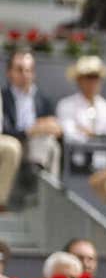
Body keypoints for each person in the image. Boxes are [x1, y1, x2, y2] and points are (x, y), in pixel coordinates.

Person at [2, 50, 62, 191]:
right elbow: (5, 131)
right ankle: (45, 190)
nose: (25, 75)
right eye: (20, 70)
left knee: (51, 144)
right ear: (9, 73)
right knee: (49, 146)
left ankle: (44, 185)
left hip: (39, 146)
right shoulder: (3, 98)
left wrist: (51, 127)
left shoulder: (43, 99)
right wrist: (31, 130)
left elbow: (55, 128)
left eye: (28, 70)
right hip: (16, 142)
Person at [57, 56, 106, 146]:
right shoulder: (66, 105)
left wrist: (87, 133)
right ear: (79, 80)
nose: (93, 81)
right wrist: (96, 135)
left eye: (96, 77)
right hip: (76, 158)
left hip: (104, 158)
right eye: (88, 77)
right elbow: (69, 134)